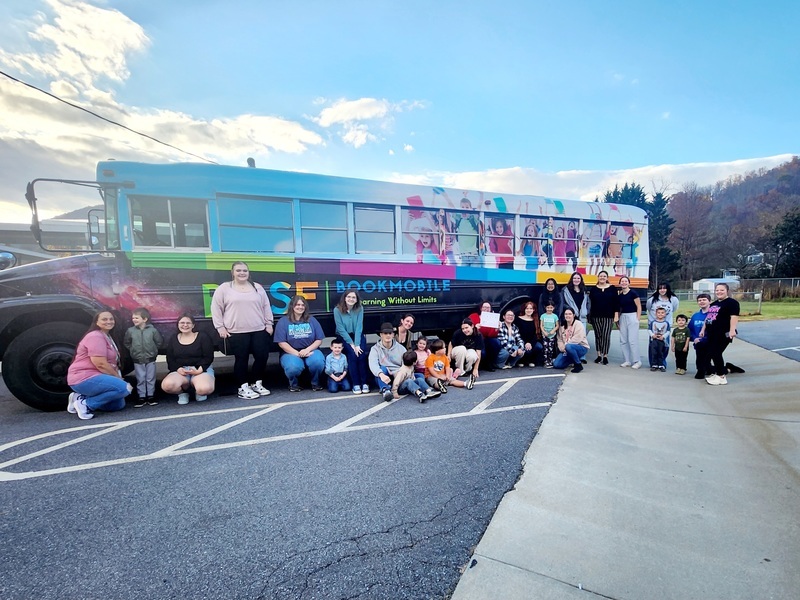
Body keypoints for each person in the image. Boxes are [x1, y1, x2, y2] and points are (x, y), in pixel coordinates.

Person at [211, 261, 273, 399]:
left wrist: (269, 324)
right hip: (236, 331)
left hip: (258, 329)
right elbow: (216, 308)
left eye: (245, 270)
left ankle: (257, 383)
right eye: (238, 270)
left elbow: (266, 306)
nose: (242, 273)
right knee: (241, 359)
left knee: (262, 357)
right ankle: (243, 386)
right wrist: (220, 327)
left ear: (248, 272)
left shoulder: (257, 288)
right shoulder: (224, 288)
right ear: (232, 272)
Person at [67, 311, 131, 420]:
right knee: (124, 388)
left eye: (111, 319)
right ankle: (86, 404)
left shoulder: (107, 336)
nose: (109, 321)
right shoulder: (95, 336)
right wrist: (117, 377)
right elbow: (100, 363)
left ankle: (79, 397)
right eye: (104, 319)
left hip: (96, 375)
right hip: (84, 377)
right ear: (96, 322)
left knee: (117, 405)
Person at [275, 295, 326, 392]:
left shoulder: (312, 320)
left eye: (303, 305)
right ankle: (293, 384)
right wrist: (297, 353)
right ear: (292, 306)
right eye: (297, 304)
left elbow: (319, 339)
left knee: (318, 362)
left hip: (310, 349)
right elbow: (281, 343)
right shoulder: (283, 321)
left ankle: (316, 383)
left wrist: (307, 350)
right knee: (293, 367)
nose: (300, 307)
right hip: (290, 352)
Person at [161, 314, 215, 405]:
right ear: (178, 324)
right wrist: (178, 369)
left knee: (204, 388)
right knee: (167, 386)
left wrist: (198, 370)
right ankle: (183, 393)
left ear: (193, 325)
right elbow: (170, 359)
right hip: (181, 370)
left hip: (200, 369)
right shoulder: (174, 338)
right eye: (182, 323)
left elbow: (208, 357)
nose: (185, 325)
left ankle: (199, 391)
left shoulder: (203, 336)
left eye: (188, 323)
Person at [701, 283, 740, 386]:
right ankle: (720, 371)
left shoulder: (732, 303)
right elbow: (708, 318)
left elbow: (734, 317)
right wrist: (703, 329)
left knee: (716, 353)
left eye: (722, 290)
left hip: (724, 334)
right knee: (710, 354)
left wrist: (732, 330)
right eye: (717, 290)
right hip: (712, 334)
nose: (719, 292)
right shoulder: (714, 304)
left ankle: (721, 377)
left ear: (727, 290)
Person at [124, 307, 163, 407]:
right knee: (140, 378)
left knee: (150, 378)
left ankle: (151, 395)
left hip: (150, 359)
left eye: (137, 318)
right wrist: (133, 350)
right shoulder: (130, 331)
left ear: (145, 319)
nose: (134, 320)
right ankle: (141, 396)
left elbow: (158, 342)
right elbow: (127, 342)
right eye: (133, 318)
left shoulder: (152, 331)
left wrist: (153, 351)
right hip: (137, 359)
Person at [333, 290, 369, 394]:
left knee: (361, 355)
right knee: (352, 355)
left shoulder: (359, 309)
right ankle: (356, 384)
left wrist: (357, 344)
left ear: (356, 299)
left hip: (357, 335)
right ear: (344, 298)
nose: (351, 299)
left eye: (354, 297)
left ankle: (364, 383)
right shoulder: (337, 310)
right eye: (349, 297)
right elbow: (340, 329)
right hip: (344, 336)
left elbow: (359, 327)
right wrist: (352, 344)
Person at [369, 322, 409, 402]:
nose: (388, 335)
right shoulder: (375, 349)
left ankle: (426, 390)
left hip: (397, 375)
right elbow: (373, 364)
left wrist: (400, 374)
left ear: (393, 335)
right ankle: (386, 391)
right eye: (385, 333)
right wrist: (381, 374)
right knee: (382, 368)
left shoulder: (401, 349)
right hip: (383, 376)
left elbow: (406, 365)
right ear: (381, 335)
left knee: (420, 376)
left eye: (390, 333)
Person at [588, 270, 618, 365]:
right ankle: (598, 355)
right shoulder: (593, 289)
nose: (602, 278)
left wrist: (616, 315)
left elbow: (616, 304)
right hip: (596, 316)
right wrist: (590, 316)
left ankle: (605, 356)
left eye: (604, 276)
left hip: (608, 316)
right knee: (598, 335)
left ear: (607, 278)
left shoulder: (612, 288)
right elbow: (590, 304)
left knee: (606, 336)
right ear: (598, 277)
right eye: (601, 276)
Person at [447, 319, 483, 389]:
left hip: (469, 351)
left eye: (466, 328)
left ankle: (467, 370)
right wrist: (448, 354)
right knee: (462, 348)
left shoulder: (478, 335)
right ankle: (460, 370)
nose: (464, 330)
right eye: (463, 328)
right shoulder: (458, 333)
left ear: (472, 326)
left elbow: (478, 353)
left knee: (473, 355)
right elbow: (451, 343)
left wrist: (476, 369)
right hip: (457, 351)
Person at [553, 307, 589, 372]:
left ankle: (578, 364)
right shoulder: (562, 327)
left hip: (581, 347)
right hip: (566, 350)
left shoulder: (578, 324)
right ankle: (573, 359)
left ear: (574, 315)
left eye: (570, 314)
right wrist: (562, 348)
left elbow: (578, 338)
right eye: (566, 314)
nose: (568, 316)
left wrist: (566, 345)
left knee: (569, 346)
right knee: (557, 364)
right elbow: (559, 339)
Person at [617, 275, 642, 369]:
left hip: (633, 316)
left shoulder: (633, 293)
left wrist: (637, 319)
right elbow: (619, 309)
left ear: (628, 283)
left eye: (625, 281)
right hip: (623, 316)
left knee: (632, 340)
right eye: (622, 281)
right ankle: (627, 360)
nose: (624, 283)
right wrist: (618, 320)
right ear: (620, 283)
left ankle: (637, 361)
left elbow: (639, 306)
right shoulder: (619, 296)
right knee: (623, 340)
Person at [468, 301, 501, 371]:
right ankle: (480, 365)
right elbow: (467, 329)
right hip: (476, 339)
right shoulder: (473, 316)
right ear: (481, 308)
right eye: (484, 307)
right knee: (482, 353)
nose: (486, 309)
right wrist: (474, 328)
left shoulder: (493, 318)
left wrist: (496, 329)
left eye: (488, 307)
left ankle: (490, 364)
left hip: (487, 339)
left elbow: (492, 335)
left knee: (496, 342)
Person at [688, 293, 712, 379]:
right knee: (703, 361)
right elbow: (690, 329)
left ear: (710, 301)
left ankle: (702, 370)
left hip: (710, 342)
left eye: (704, 300)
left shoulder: (713, 315)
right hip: (698, 342)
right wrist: (694, 338)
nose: (702, 302)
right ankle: (700, 370)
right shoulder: (695, 316)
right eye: (699, 300)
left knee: (707, 364)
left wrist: (704, 339)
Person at [514, 301, 543, 367]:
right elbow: (517, 334)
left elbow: (536, 334)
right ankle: (521, 361)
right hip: (521, 341)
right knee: (526, 350)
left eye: (531, 308)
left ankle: (531, 360)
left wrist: (530, 343)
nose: (529, 310)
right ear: (524, 309)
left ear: (534, 310)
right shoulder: (518, 319)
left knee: (539, 346)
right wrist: (525, 343)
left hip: (531, 342)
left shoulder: (535, 320)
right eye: (527, 308)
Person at [648, 307, 670, 372]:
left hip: (662, 341)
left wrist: (663, 336)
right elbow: (649, 330)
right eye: (659, 313)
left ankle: (661, 364)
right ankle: (654, 364)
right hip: (654, 340)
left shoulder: (666, 323)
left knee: (661, 352)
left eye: (662, 313)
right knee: (654, 352)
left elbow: (668, 331)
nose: (660, 314)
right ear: (656, 314)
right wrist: (652, 335)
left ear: (665, 314)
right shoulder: (653, 323)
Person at [540, 301, 560, 368]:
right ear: (545, 308)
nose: (549, 309)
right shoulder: (543, 316)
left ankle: (550, 360)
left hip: (552, 335)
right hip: (545, 335)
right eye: (548, 307)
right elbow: (541, 325)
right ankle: (545, 361)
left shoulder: (555, 316)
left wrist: (553, 330)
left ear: (553, 308)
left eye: (551, 307)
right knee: (545, 348)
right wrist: (544, 332)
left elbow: (557, 325)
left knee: (551, 349)